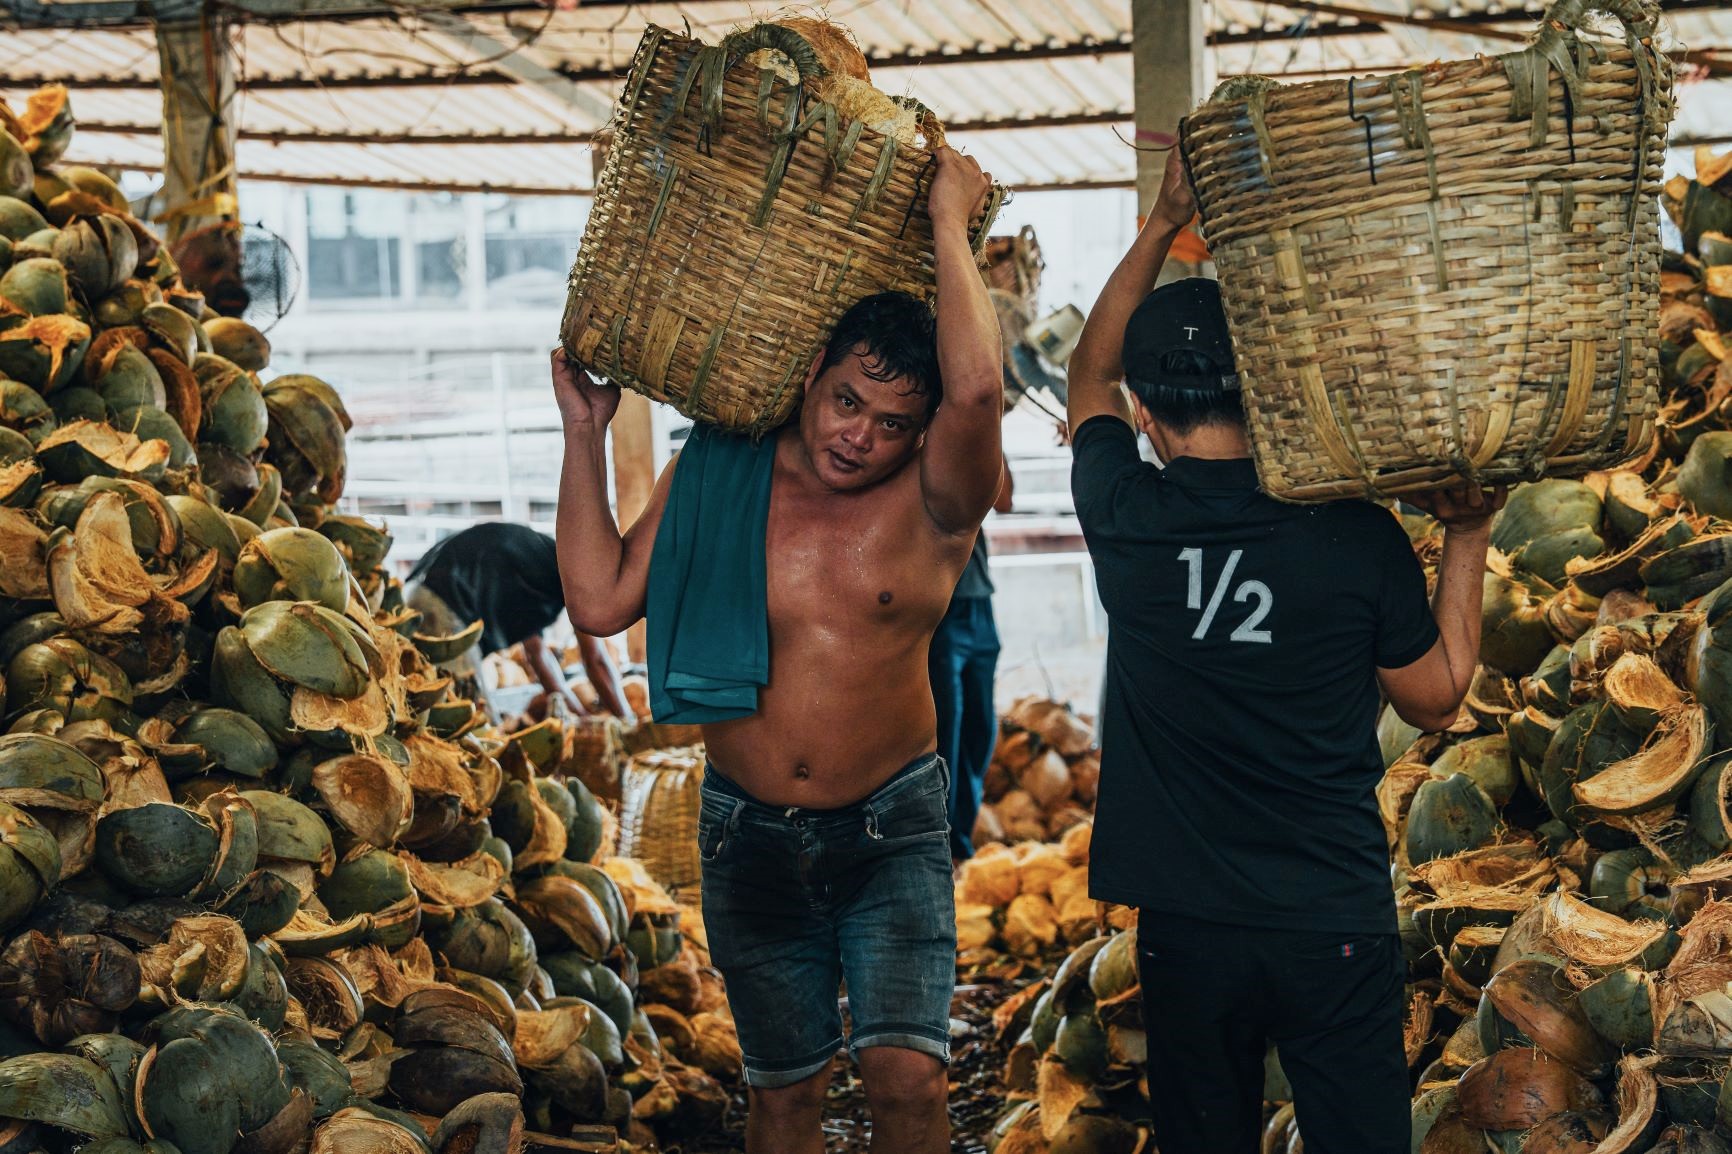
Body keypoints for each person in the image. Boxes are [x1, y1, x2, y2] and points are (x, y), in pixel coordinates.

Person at [553, 148, 1000, 1154]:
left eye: (893, 423)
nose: (860, 436)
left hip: (891, 830)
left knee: (910, 1083)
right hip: (745, 834)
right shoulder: (717, 464)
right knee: (785, 1099)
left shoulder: (935, 504)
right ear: (811, 376)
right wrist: (585, 431)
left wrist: (947, 226)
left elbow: (975, 398)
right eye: (847, 400)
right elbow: (597, 595)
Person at [1065, 145, 1505, 1154]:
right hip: (1328, 914)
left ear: (1144, 416)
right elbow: (1437, 694)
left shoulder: (1124, 516)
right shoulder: (1353, 532)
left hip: (1187, 923)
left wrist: (1162, 218)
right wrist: (1469, 535)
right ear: (1267, 393)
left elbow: (1085, 366)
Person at [404, 522, 634, 726]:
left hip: (416, 595)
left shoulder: (541, 564)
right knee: (475, 725)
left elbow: (538, 655)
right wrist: (628, 723)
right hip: (442, 605)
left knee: (439, 716)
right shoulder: (570, 573)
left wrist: (581, 717)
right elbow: (595, 660)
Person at [931, 454, 1011, 862]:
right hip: (940, 609)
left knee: (979, 729)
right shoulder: (921, 436)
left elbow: (1006, 499)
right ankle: (943, 847)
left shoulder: (976, 435)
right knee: (948, 731)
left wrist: (990, 421)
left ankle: (959, 837)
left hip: (979, 603)